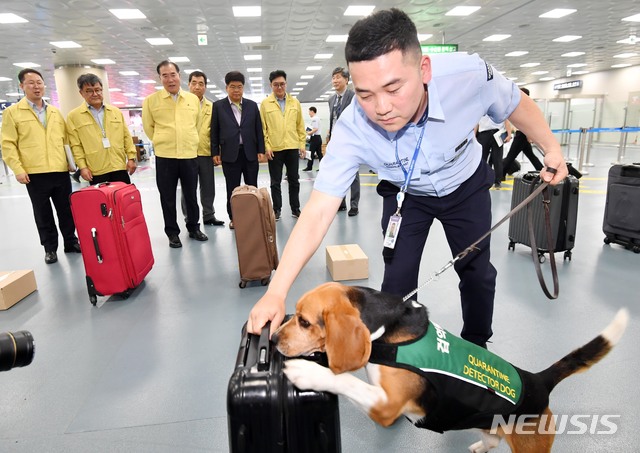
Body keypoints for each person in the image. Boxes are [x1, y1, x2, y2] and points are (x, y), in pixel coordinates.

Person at [248, 8, 568, 345]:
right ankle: (397, 356)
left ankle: (477, 348)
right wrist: (276, 291)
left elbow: (516, 103)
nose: (381, 107)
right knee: (397, 283)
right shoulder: (352, 128)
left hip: (465, 186)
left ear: (424, 69)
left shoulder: (468, 76)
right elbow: (317, 212)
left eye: (393, 88)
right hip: (406, 196)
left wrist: (551, 149)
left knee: (477, 275)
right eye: (365, 94)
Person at [1, 68, 80, 264]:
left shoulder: (54, 111)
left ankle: (71, 242)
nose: (36, 86)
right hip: (35, 173)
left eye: (39, 82)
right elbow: (8, 143)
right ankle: (50, 248)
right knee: (43, 214)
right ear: (22, 86)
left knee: (66, 210)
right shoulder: (13, 113)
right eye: (31, 83)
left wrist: (71, 163)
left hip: (60, 170)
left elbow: (66, 139)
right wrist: (18, 169)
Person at [142, 60, 208, 248]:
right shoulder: (151, 101)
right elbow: (149, 127)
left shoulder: (192, 99)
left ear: (179, 76)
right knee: (167, 197)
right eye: (165, 75)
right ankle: (172, 232)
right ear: (160, 78)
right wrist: (164, 140)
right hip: (166, 156)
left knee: (191, 195)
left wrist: (189, 139)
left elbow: (197, 124)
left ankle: (194, 228)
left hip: (188, 154)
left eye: (173, 74)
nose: (170, 79)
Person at [211, 71, 265, 229]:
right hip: (229, 154)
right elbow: (214, 130)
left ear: (243, 88)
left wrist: (260, 149)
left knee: (252, 187)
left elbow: (258, 129)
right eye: (232, 87)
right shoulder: (218, 106)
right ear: (226, 88)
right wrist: (215, 152)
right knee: (232, 188)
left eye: (239, 87)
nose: (236, 90)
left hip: (250, 152)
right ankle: (234, 217)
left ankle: (253, 216)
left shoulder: (252, 105)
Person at [67, 73, 137, 185]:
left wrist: (131, 158)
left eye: (98, 90)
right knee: (101, 202)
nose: (95, 94)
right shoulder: (74, 116)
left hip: (119, 166)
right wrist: (82, 167)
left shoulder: (115, 112)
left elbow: (126, 137)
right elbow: (76, 145)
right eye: (89, 91)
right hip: (96, 170)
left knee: (122, 200)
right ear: (81, 93)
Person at [260, 69, 306, 220]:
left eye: (282, 84)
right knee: (275, 182)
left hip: (292, 147)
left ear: (286, 84)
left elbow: (300, 126)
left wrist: (302, 144)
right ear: (271, 86)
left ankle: (295, 208)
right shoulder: (266, 104)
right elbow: (263, 128)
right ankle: (277, 209)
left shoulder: (295, 102)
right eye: (276, 85)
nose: (279, 88)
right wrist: (267, 146)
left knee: (294, 180)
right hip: (275, 148)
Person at [181, 70, 224, 227]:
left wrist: (216, 152)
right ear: (189, 84)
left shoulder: (212, 107)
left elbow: (216, 132)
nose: (197, 87)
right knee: (188, 189)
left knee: (208, 187)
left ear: (205, 87)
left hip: (205, 152)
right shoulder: (181, 104)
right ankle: (190, 219)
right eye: (194, 83)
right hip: (187, 153)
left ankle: (208, 215)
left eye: (201, 84)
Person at [327, 67, 360, 216]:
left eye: (338, 77)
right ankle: (341, 203)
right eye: (333, 77)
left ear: (346, 80)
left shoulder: (354, 97)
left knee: (353, 174)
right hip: (335, 141)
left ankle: (354, 204)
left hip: (351, 140)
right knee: (339, 173)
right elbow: (332, 120)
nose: (335, 80)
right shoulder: (331, 99)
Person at [501, 87, 544, 178]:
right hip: (522, 134)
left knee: (510, 156)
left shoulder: (524, 106)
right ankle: (541, 170)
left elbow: (527, 122)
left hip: (522, 134)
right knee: (531, 156)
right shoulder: (523, 105)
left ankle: (501, 175)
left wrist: (529, 136)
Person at [476, 115, 512, 188]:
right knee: (481, 158)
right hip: (483, 133)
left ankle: (498, 181)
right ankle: (480, 179)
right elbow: (476, 121)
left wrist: (509, 133)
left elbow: (506, 119)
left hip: (497, 133)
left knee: (497, 158)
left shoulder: (500, 106)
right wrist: (474, 135)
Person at [303, 107, 322, 171]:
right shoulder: (317, 118)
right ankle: (322, 167)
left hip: (315, 138)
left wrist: (308, 133)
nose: (309, 114)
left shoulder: (315, 119)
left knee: (311, 153)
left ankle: (309, 167)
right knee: (319, 153)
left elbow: (315, 129)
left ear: (312, 111)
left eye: (309, 112)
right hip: (318, 137)